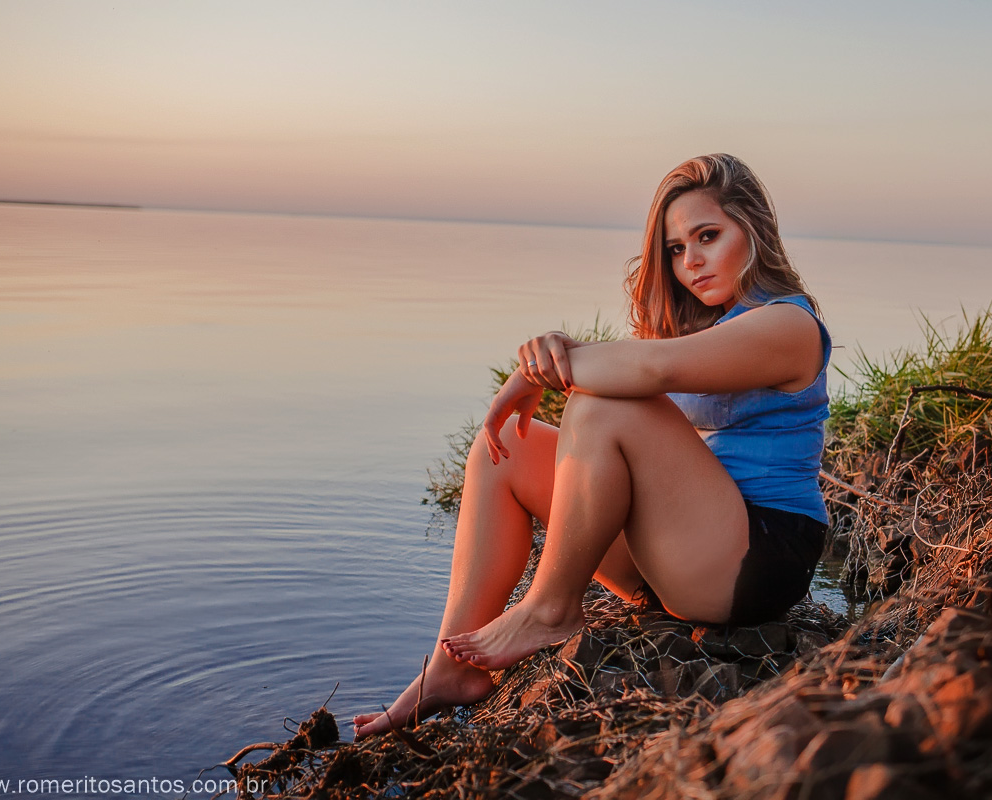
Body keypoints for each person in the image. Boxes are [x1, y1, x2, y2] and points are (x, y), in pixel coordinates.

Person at [353, 153, 830, 739]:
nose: (692, 262)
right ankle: (451, 668)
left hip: (759, 554)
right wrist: (558, 347)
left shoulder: (789, 325)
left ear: (752, 229)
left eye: (708, 236)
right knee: (505, 442)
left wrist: (537, 372)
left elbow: (648, 370)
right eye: (676, 249)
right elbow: (636, 362)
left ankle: (549, 608)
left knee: (600, 408)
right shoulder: (705, 329)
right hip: (683, 557)